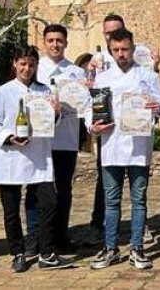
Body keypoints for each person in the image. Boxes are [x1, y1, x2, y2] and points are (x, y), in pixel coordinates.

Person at [88, 28, 160, 271]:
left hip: (138, 147)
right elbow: (90, 110)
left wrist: (158, 107)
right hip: (111, 146)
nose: (121, 54)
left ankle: (137, 247)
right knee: (111, 200)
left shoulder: (147, 75)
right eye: (116, 50)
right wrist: (92, 126)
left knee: (139, 199)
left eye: (125, 49)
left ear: (133, 49)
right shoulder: (103, 79)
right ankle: (111, 248)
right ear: (110, 51)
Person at [0, 45, 71, 272]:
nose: (27, 68)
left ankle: (46, 252)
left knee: (49, 203)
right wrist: (9, 137)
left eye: (31, 64)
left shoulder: (45, 92)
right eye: (23, 63)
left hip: (38, 158)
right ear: (15, 64)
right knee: (11, 210)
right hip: (10, 158)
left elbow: (52, 126)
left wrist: (56, 114)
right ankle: (18, 252)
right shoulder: (1, 93)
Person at [34, 23, 89, 254]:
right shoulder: (35, 70)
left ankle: (61, 236)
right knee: (38, 190)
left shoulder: (77, 73)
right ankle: (37, 238)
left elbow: (85, 105)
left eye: (59, 40)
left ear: (66, 43)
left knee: (64, 189)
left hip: (66, 139)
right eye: (50, 40)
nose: (55, 44)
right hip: (40, 140)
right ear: (44, 43)